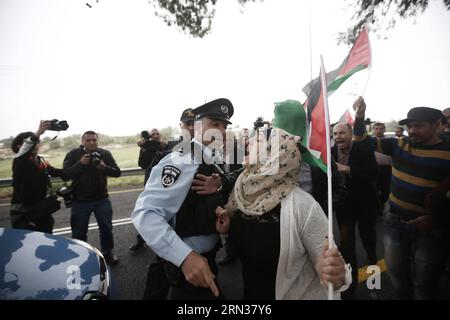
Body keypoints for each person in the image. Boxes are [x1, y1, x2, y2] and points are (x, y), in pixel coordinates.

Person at [215, 127, 351, 299]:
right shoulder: (241, 193)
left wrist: (335, 276)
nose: (248, 142)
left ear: (274, 152)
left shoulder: (303, 206)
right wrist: (229, 228)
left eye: (257, 140)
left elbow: (335, 272)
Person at [132, 98, 234, 300]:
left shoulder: (209, 156)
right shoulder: (182, 158)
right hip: (189, 263)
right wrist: (184, 257)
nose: (221, 131)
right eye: (214, 124)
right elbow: (145, 214)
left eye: (224, 125)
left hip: (207, 256)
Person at [353, 98, 450, 299]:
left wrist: (438, 217)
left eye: (419, 126)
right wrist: (360, 116)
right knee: (397, 276)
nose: (413, 131)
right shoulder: (399, 145)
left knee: (425, 283)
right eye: (410, 126)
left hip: (431, 230)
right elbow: (361, 140)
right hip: (395, 224)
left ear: (437, 125)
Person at [61, 131, 121, 265]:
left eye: (94, 140)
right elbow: (64, 174)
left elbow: (117, 172)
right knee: (79, 231)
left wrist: (104, 167)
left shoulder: (104, 153)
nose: (91, 142)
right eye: (88, 140)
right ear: (82, 141)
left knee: (106, 228)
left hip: (101, 199)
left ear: (97, 140)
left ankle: (108, 253)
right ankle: (79, 255)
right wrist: (80, 164)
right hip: (80, 200)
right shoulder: (73, 154)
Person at [10, 120, 62, 233]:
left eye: (37, 141)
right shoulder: (19, 160)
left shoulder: (40, 160)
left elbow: (56, 172)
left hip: (41, 209)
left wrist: (80, 166)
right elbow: (27, 147)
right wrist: (38, 133)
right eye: (31, 141)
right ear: (20, 146)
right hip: (24, 213)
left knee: (47, 240)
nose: (36, 143)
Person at [372, 122, 392, 216]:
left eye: (381, 128)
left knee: (386, 191)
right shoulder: (369, 142)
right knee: (374, 190)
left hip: (387, 169)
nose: (378, 130)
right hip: (373, 169)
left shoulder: (390, 142)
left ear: (384, 130)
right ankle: (376, 209)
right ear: (373, 130)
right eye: (376, 128)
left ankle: (381, 204)